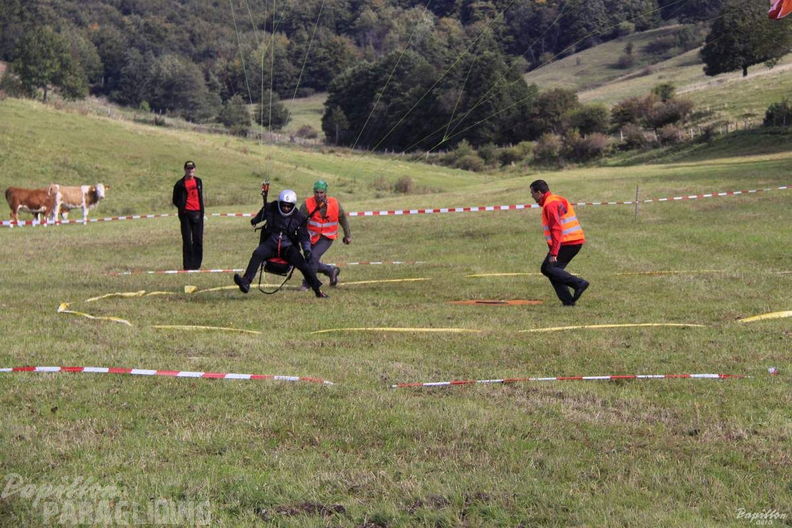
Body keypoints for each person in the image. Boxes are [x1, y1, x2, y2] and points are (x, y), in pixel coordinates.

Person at [233, 189, 327, 298]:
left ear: (293, 205)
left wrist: (307, 250)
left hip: (288, 248)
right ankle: (245, 282)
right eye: (283, 205)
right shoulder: (271, 208)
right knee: (257, 253)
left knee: (304, 265)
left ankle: (318, 291)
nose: (286, 208)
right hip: (270, 244)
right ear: (279, 203)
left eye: (288, 206)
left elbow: (304, 236)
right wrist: (255, 220)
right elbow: (260, 217)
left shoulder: (298, 217)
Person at [529, 179, 589, 306]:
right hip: (573, 241)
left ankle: (579, 283)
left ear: (539, 192)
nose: (531, 196)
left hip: (567, 242)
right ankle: (568, 302)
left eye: (532, 193)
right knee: (554, 271)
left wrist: (554, 252)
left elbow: (556, 229)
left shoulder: (550, 205)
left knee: (548, 268)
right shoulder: (556, 199)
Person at [299, 180, 351, 289]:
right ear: (314, 192)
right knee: (309, 260)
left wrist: (348, 235)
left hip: (327, 237)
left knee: (313, 257)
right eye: (317, 192)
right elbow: (298, 221)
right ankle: (331, 270)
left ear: (325, 192)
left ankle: (307, 283)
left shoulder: (335, 203)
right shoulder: (307, 204)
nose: (319, 195)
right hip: (311, 236)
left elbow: (343, 219)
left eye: (321, 192)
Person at [172, 160, 204, 270]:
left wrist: (201, 212)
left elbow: (200, 197)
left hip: (198, 213)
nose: (190, 170)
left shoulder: (199, 182)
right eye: (188, 168)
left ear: (194, 169)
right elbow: (175, 199)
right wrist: (183, 208)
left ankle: (196, 265)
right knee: (187, 240)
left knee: (198, 240)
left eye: (192, 168)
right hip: (185, 214)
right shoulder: (179, 184)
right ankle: (187, 266)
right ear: (185, 169)